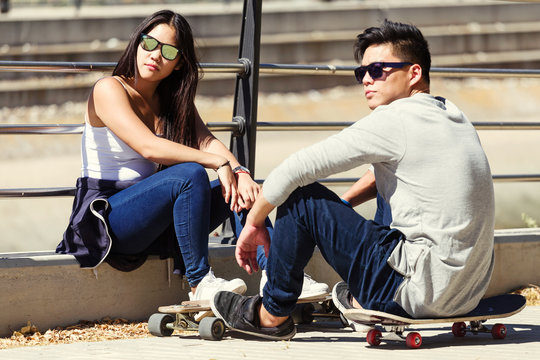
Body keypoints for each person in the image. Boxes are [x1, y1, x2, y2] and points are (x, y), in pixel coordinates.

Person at [210, 19, 495, 340]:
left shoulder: (395, 118)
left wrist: (253, 223)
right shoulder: (453, 116)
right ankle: (359, 298)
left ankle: (270, 314)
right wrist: (334, 218)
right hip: (467, 291)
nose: (366, 81)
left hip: (416, 291)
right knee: (380, 184)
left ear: (414, 73)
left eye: (378, 71)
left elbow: (295, 169)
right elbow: (381, 176)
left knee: (300, 197)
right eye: (362, 73)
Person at [56, 9, 257, 302]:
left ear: (179, 64)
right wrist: (218, 163)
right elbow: (148, 147)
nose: (155, 55)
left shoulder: (171, 100)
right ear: (137, 43)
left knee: (241, 189)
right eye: (149, 43)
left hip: (152, 218)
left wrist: (240, 172)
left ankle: (279, 275)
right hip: (110, 219)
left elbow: (207, 142)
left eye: (169, 50)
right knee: (191, 174)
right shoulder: (109, 89)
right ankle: (200, 283)